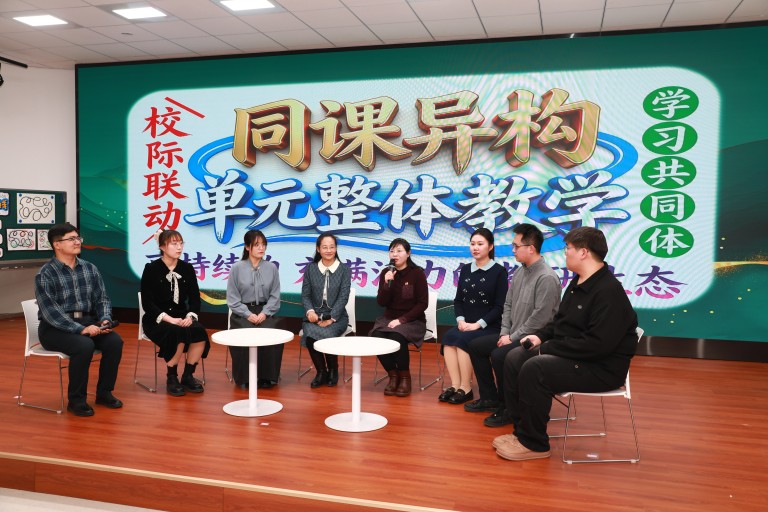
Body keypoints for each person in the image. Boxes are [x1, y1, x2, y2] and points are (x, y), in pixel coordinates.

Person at [493, 227, 638, 461]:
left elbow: (597, 346)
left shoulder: (608, 291)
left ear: (583, 252)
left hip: (600, 368)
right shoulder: (579, 282)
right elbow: (560, 321)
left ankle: (535, 444)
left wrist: (547, 348)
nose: (565, 253)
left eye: (568, 248)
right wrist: (541, 336)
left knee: (535, 368)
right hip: (576, 355)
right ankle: (522, 433)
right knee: (514, 358)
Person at [465, 224, 561, 424]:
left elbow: (540, 319)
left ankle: (509, 407)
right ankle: (490, 398)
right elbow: (507, 304)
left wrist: (512, 338)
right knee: (476, 346)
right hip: (512, 334)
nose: (513, 250)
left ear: (531, 248)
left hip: (534, 339)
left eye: (516, 246)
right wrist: (504, 333)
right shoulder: (520, 272)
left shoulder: (546, 277)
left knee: (500, 355)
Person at [34, 223, 123, 417]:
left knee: (114, 341)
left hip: (87, 322)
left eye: (78, 238)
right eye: (71, 239)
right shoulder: (45, 274)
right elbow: (51, 312)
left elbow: (102, 299)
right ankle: (76, 401)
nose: (77, 242)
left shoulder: (90, 268)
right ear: (57, 245)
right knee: (84, 345)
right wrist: (80, 329)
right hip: (54, 329)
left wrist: (104, 319)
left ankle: (104, 393)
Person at [438, 228, 508, 405]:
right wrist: (460, 320)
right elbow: (458, 300)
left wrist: (477, 324)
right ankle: (455, 385)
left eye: (480, 244)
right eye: (472, 244)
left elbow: (500, 307)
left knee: (464, 341)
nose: (475, 248)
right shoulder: (465, 269)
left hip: (489, 326)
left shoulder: (499, 271)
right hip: (466, 323)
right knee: (449, 338)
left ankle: (466, 388)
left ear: (490, 247)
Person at [140, 229, 210, 396]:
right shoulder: (151, 269)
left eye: (180, 243)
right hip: (156, 319)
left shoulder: (187, 268)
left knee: (199, 331)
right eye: (174, 244)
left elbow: (195, 299)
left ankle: (188, 375)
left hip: (181, 316)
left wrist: (190, 316)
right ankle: (172, 377)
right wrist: (169, 319)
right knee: (176, 331)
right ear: (162, 247)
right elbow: (147, 303)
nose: (179, 247)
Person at [369, 238, 428, 397]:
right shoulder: (386, 273)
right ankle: (393, 376)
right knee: (376, 336)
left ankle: (405, 377)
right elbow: (381, 302)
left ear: (408, 254)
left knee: (396, 336)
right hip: (389, 318)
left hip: (413, 320)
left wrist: (401, 320)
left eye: (399, 251)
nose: (395, 254)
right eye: (392, 251)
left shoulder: (417, 273)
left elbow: (423, 304)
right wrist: (386, 284)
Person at [226, 229, 282, 389]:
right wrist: (247, 314)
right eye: (257, 245)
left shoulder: (272, 268)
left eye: (263, 244)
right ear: (247, 247)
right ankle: (245, 377)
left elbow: (275, 296)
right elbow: (232, 298)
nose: (261, 248)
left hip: (265, 311)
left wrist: (264, 313)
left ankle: (267, 377)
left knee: (272, 333)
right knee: (243, 333)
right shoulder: (236, 268)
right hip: (242, 312)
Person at [301, 233, 351, 388]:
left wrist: (331, 318)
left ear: (336, 248)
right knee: (310, 333)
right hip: (314, 316)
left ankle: (333, 370)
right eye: (325, 247)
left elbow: (343, 297)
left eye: (332, 247)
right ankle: (321, 371)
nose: (329, 250)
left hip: (337, 317)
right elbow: (305, 294)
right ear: (318, 249)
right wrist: (310, 312)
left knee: (328, 334)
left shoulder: (344, 270)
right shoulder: (311, 269)